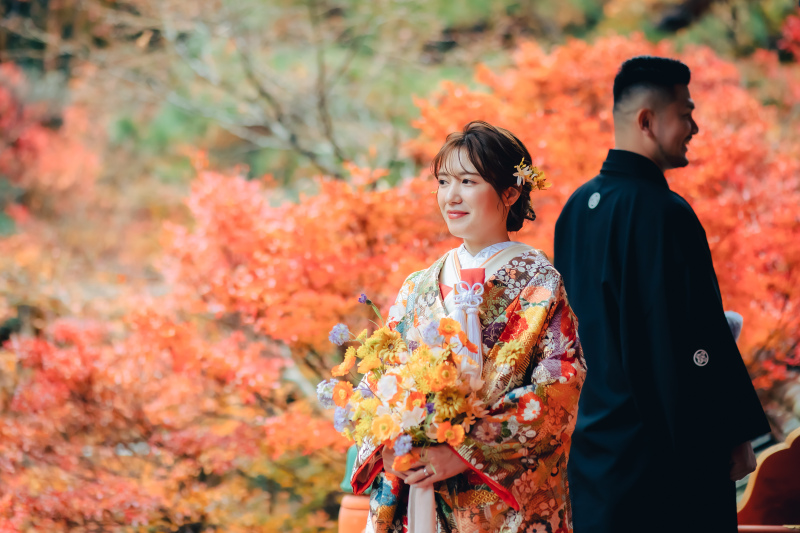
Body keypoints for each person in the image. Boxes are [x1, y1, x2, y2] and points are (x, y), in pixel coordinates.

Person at [553, 56, 770, 533]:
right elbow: (690, 337)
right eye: (686, 112)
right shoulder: (662, 212)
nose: (695, 126)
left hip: (595, 451)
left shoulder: (575, 210)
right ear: (647, 121)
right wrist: (731, 434)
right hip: (661, 459)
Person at [350, 121, 587, 532]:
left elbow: (559, 387)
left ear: (510, 192)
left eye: (467, 180)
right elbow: (380, 377)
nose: (451, 196)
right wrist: (389, 444)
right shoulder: (417, 286)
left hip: (497, 504)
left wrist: (463, 452)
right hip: (417, 490)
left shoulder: (538, 282)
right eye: (443, 181)